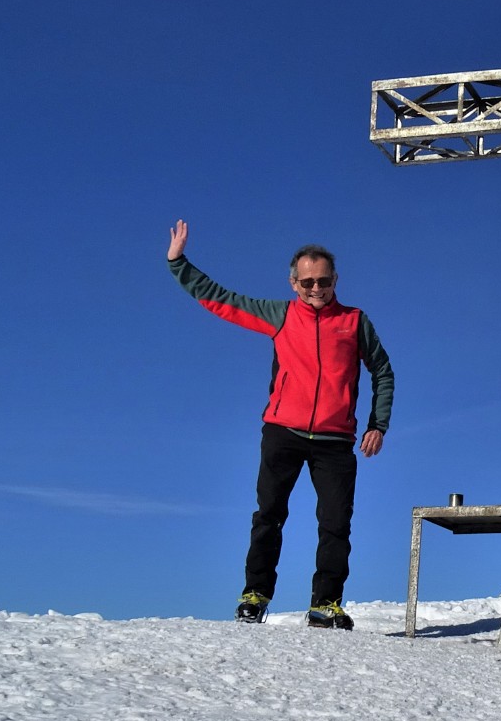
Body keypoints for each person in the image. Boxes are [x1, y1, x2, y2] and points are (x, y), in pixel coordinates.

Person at [166, 220, 394, 630]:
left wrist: (379, 423)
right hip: (282, 432)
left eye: (323, 281)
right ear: (293, 283)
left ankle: (326, 604)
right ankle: (255, 595)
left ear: (335, 279)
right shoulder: (280, 315)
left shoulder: (355, 321)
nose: (316, 289)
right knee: (269, 515)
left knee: (335, 523)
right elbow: (221, 299)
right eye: (307, 282)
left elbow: (382, 370)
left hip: (334, 439)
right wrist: (178, 262)